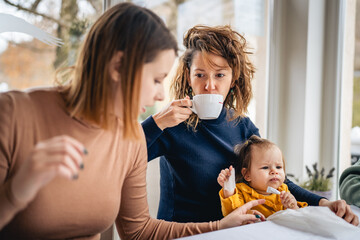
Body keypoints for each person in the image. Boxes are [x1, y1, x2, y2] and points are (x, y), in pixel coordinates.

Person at [0, 3, 268, 239]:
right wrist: (18, 190)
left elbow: (139, 232)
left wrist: (220, 227)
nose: (162, 94)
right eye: (155, 79)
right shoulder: (11, 115)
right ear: (118, 67)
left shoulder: (129, 138)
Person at [142, 25, 359, 225]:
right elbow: (123, 158)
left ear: (233, 79)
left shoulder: (243, 126)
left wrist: (324, 203)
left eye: (220, 75)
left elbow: (276, 182)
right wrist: (157, 122)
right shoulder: (171, 124)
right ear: (189, 78)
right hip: (183, 234)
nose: (209, 85)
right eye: (200, 75)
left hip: (231, 233)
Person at [217, 135, 308, 218]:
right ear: (247, 174)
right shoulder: (241, 191)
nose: (274, 171)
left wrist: (293, 207)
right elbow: (232, 214)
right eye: (265, 167)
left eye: (279, 167)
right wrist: (229, 187)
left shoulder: (283, 190)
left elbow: (295, 218)